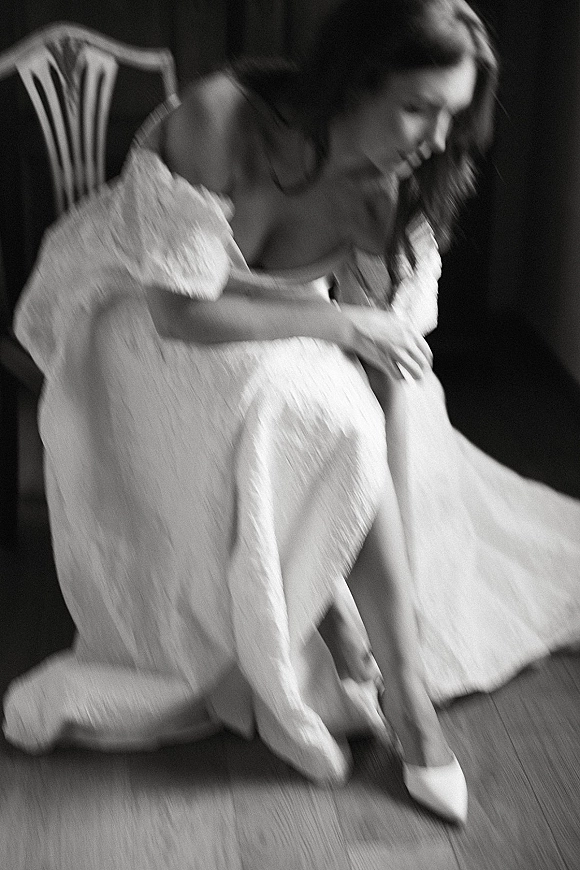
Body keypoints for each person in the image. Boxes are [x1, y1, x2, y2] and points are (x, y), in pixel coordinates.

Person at [3, 0, 580, 828]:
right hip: (128, 312)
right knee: (302, 391)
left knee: (342, 410)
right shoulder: (219, 120)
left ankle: (405, 687)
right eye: (418, 105)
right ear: (353, 78)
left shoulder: (406, 189)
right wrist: (339, 323)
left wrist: (396, 560)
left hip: (261, 317)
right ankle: (338, 626)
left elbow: (388, 382)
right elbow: (180, 313)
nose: (435, 136)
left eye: (453, 115)